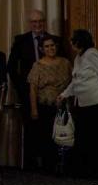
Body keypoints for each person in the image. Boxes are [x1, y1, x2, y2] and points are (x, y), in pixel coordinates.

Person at [58, 29, 98, 178]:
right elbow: (76, 81)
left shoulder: (92, 54)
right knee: (84, 137)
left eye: (73, 39)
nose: (71, 42)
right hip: (84, 103)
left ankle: (95, 171)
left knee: (94, 138)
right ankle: (84, 170)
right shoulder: (79, 57)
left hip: (96, 102)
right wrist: (64, 94)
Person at [25, 37, 71, 172]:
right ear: (41, 49)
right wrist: (34, 109)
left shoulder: (66, 63)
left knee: (63, 135)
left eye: (52, 45)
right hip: (45, 105)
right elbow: (33, 89)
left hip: (63, 105)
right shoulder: (38, 65)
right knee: (47, 136)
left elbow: (73, 83)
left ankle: (63, 166)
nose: (50, 48)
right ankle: (49, 167)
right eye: (47, 46)